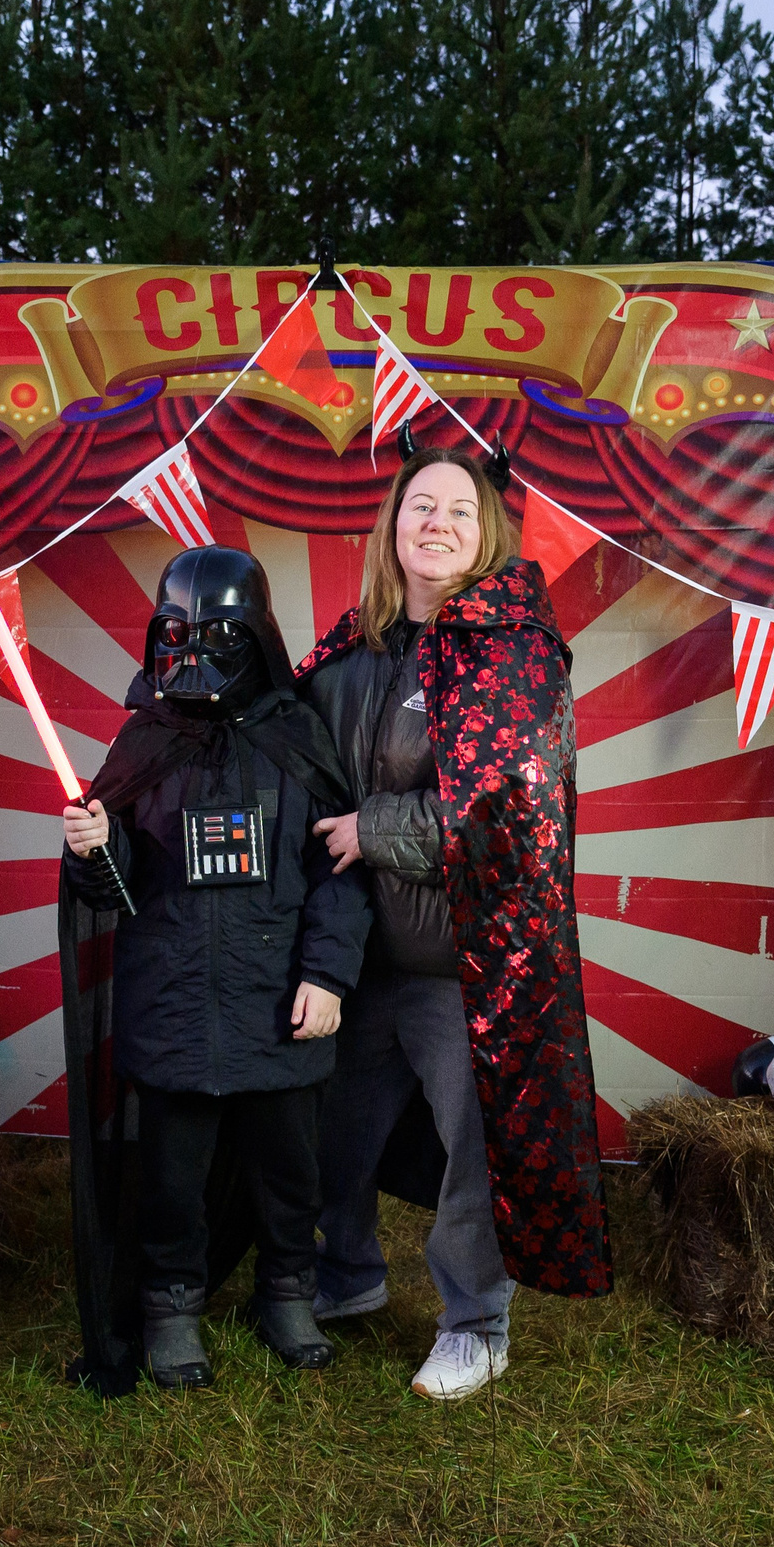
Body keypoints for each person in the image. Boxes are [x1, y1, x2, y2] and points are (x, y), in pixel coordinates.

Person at [295, 444, 612, 1403]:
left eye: (459, 512)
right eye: (419, 505)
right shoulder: (353, 653)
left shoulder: (510, 653)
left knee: (477, 1150)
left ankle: (477, 1322)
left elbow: (512, 807)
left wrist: (371, 827)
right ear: (391, 526)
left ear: (485, 540)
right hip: (362, 952)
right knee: (334, 1131)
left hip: (467, 961)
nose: (436, 522)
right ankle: (345, 1278)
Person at [57, 545, 370, 1394]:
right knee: (170, 1178)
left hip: (280, 1005)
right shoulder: (144, 740)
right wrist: (96, 844)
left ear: (257, 638)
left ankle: (288, 1293)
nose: (193, 658)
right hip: (175, 1006)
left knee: (289, 1172)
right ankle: (170, 1308)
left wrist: (329, 976)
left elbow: (338, 873)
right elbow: (114, 884)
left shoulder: (297, 738)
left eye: (217, 638)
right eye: (177, 636)